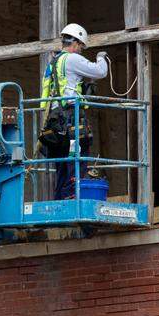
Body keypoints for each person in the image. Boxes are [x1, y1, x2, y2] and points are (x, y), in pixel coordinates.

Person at [40, 23, 108, 199]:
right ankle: (73, 197)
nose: (81, 51)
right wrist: (101, 58)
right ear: (76, 43)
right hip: (71, 118)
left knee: (62, 165)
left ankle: (61, 199)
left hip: (54, 122)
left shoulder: (52, 64)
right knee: (77, 159)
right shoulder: (72, 58)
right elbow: (100, 72)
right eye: (81, 47)